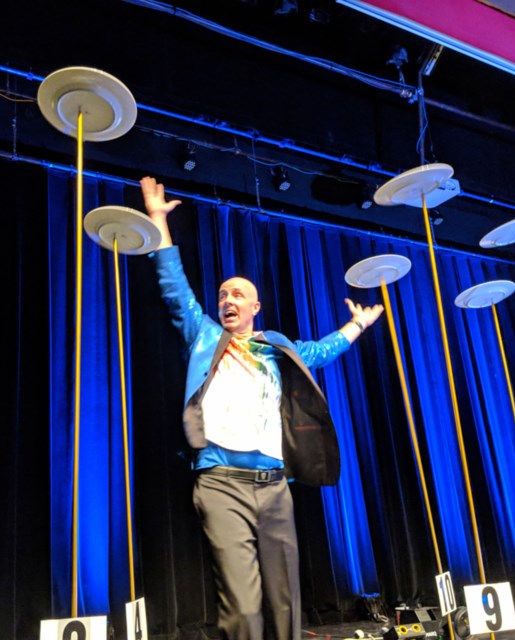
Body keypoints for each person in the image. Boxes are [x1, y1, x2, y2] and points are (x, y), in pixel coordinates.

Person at [141, 176, 384, 640]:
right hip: (220, 484)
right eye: (222, 295)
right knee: (243, 605)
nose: (227, 300)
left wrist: (355, 327)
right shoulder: (205, 336)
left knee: (285, 597)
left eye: (237, 295)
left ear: (255, 306)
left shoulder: (275, 346)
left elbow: (317, 352)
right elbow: (174, 286)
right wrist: (157, 221)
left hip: (274, 487)